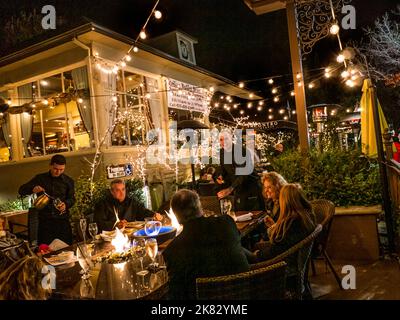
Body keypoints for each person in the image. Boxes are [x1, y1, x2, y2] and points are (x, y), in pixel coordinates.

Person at [163, 189, 249, 300]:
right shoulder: (226, 223)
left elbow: (176, 293)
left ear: (176, 216)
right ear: (199, 207)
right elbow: (236, 248)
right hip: (245, 292)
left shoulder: (172, 251)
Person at [19, 154, 75, 245]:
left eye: (61, 170)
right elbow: (21, 190)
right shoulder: (40, 178)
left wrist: (66, 204)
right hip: (45, 223)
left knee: (66, 250)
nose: (58, 172)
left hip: (62, 222)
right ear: (50, 165)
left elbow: (72, 199)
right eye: (56, 169)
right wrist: (32, 189)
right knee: (45, 251)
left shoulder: (68, 181)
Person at [216, 133, 264, 211]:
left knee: (255, 214)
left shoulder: (241, 151)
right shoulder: (222, 152)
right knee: (239, 212)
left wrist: (230, 189)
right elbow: (222, 168)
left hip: (250, 185)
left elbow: (244, 173)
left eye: (226, 139)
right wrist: (220, 175)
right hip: (238, 188)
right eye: (221, 140)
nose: (223, 142)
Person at [93, 179, 162, 231]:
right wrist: (115, 225)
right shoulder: (102, 205)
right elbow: (99, 224)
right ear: (112, 192)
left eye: (123, 189)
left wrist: (154, 215)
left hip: (130, 234)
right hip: (112, 237)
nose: (122, 193)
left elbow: (143, 212)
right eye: (117, 190)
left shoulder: (131, 202)